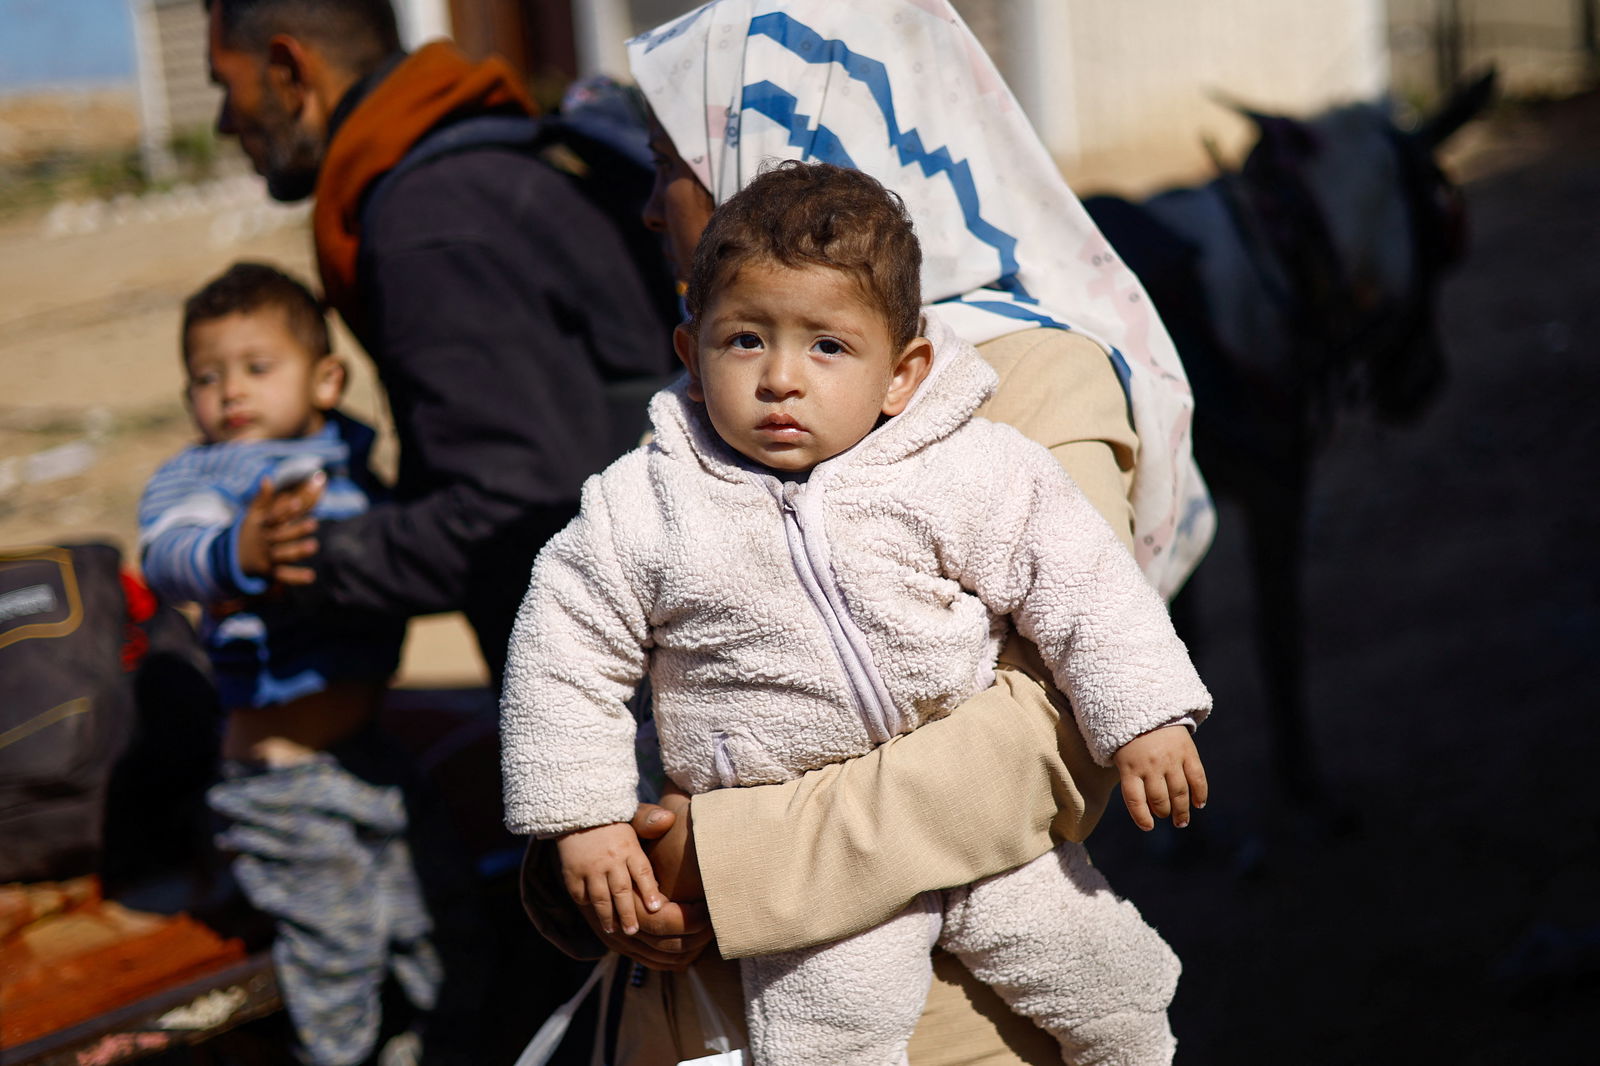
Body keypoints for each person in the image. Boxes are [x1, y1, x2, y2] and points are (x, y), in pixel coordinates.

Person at [516, 3, 1220, 1064]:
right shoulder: (712, 410)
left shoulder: (1022, 383)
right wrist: (596, 855)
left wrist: (718, 858)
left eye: (672, 161)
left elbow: (1041, 740)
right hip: (707, 1008)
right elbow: (578, 653)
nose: (652, 206)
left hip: (958, 1022)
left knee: (1116, 998)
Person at [202, 0, 678, 680]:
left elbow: (507, 517)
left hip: (620, 697)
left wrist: (297, 556)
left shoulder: (428, 223)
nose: (224, 120)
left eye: (227, 84)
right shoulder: (484, 152)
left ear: (286, 71)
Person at [138, 262, 433, 1066]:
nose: (230, 392)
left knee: (428, 928)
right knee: (337, 955)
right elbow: (169, 554)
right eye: (207, 377)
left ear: (326, 379)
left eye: (256, 369)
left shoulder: (348, 454)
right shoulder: (208, 478)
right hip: (281, 783)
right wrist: (238, 551)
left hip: (366, 754)